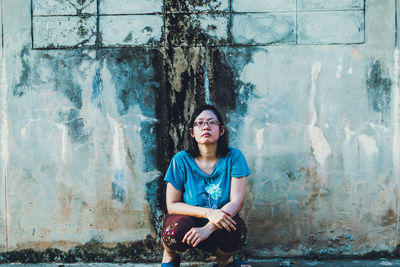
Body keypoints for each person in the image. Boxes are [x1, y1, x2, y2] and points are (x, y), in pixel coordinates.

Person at [161, 104, 251, 267]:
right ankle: (169, 255)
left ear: (221, 130)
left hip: (217, 227)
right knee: (175, 229)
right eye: (199, 123)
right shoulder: (181, 160)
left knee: (236, 226)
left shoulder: (234, 157)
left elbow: (236, 202)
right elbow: (172, 205)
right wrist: (209, 213)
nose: (205, 127)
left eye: (211, 122)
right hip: (188, 226)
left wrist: (208, 228)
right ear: (192, 132)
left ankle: (225, 260)